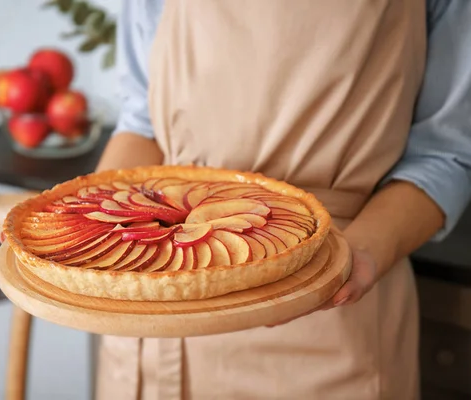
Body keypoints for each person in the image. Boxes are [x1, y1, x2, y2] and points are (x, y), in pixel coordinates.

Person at [93, 1, 471, 399]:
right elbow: (142, 124)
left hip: (328, 304)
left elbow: (445, 155)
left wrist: (356, 257)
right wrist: (93, 234)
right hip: (157, 302)